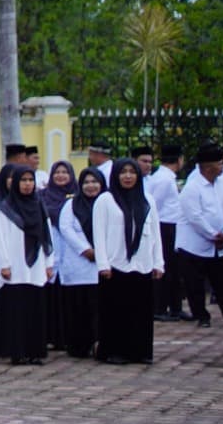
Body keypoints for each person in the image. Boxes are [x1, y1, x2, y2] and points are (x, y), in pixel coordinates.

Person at [92, 159, 165, 364]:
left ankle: (140, 351)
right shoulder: (105, 200)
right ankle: (114, 351)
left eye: (132, 172)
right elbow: (99, 233)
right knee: (115, 311)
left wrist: (158, 262)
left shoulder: (147, 200)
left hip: (142, 263)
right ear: (115, 175)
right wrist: (103, 264)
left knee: (140, 311)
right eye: (123, 172)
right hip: (116, 265)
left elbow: (156, 234)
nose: (127, 176)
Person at [0, 168, 51, 366]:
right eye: (23, 180)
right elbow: (1, 238)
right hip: (15, 267)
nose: (28, 184)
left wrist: (48, 263)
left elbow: (47, 236)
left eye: (31, 180)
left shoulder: (39, 205)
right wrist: (4, 264)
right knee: (16, 311)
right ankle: (17, 352)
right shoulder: (6, 207)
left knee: (35, 310)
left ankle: (34, 352)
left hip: (36, 266)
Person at [174, 144, 223, 328]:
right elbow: (195, 217)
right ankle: (202, 316)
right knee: (195, 284)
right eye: (219, 163)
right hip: (195, 244)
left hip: (220, 243)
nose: (222, 166)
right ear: (208, 167)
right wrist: (213, 235)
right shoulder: (192, 188)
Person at [53, 168, 104, 359]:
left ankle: (99, 343)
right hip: (78, 264)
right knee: (78, 308)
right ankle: (78, 346)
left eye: (94, 182)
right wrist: (86, 250)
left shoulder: (107, 203)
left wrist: (101, 250)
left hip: (101, 264)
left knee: (98, 308)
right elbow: (66, 229)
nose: (91, 186)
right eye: (86, 182)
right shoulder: (71, 205)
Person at [149, 144, 186, 318]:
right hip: (164, 226)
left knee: (174, 269)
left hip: (171, 225)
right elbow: (155, 204)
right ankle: (160, 308)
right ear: (179, 160)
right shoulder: (163, 179)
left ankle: (174, 307)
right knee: (166, 267)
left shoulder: (165, 177)